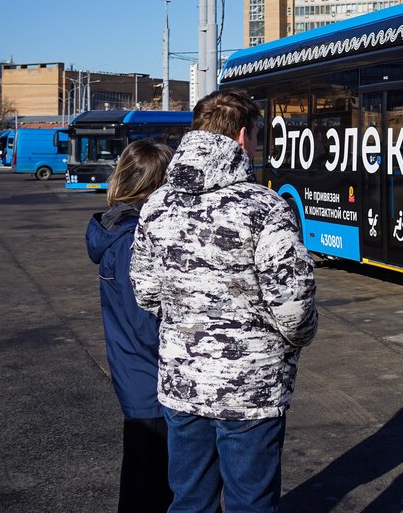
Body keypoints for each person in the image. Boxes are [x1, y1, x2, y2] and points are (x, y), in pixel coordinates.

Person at [130, 89, 317, 513]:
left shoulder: (156, 205)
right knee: (251, 502)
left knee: (189, 499)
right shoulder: (265, 207)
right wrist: (295, 339)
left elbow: (145, 290)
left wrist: (185, 319)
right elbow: (292, 305)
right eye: (256, 136)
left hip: (183, 381)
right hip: (251, 388)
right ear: (241, 137)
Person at [85, 139, 175, 513]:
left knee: (150, 485)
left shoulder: (115, 232)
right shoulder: (134, 242)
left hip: (135, 378)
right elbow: (146, 324)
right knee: (153, 489)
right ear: (153, 188)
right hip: (152, 385)